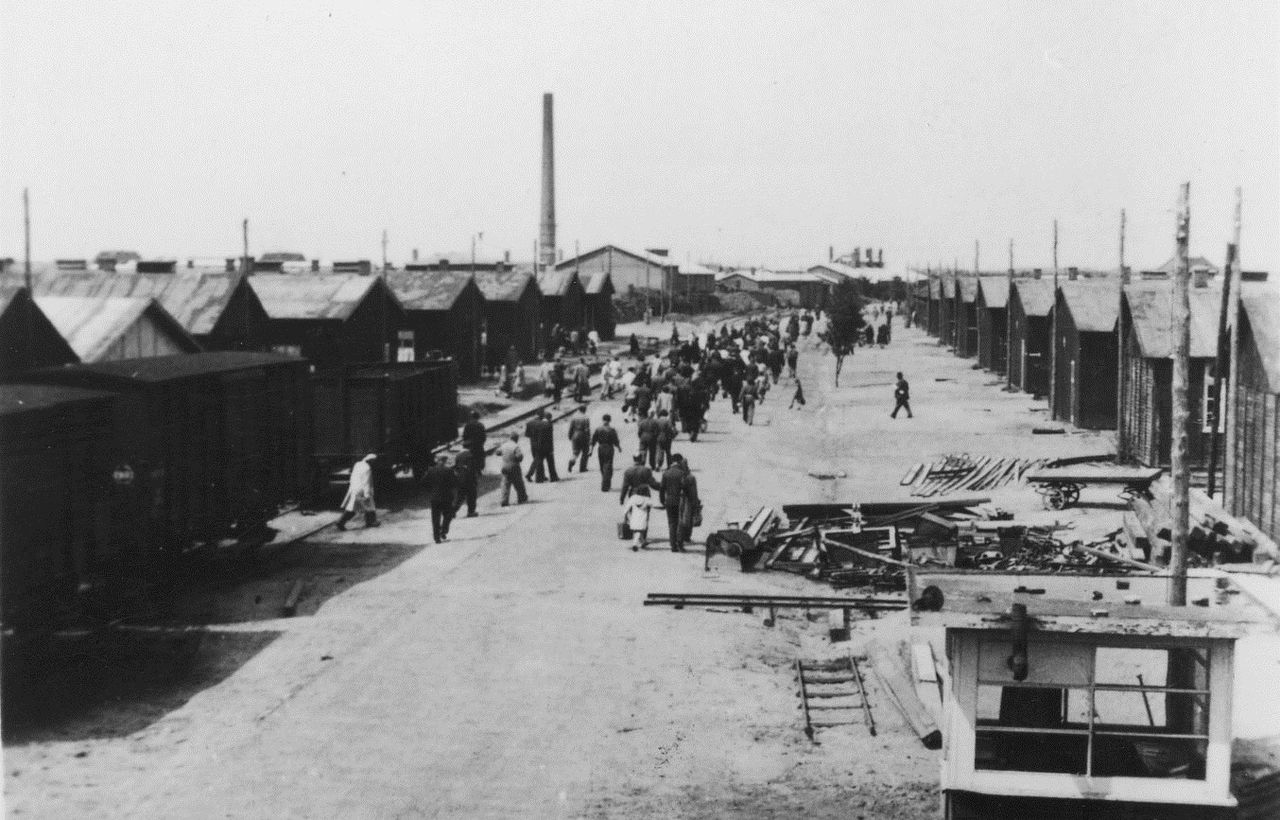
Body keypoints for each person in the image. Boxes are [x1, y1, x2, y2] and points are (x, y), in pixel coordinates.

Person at [421, 454, 458, 543]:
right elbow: (455, 483)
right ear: (444, 461)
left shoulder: (431, 470)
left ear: (437, 461)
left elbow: (423, 482)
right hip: (446, 497)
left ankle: (436, 538)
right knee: (448, 515)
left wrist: (431, 490)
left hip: (434, 498)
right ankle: (443, 531)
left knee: (435, 518)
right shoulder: (448, 470)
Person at [336, 454, 379, 530]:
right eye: (374, 461)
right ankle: (340, 522)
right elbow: (366, 482)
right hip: (361, 489)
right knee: (367, 505)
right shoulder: (367, 468)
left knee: (356, 507)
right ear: (370, 461)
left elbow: (352, 476)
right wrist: (367, 494)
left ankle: (370, 522)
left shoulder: (358, 464)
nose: (374, 463)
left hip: (355, 487)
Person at [660, 454, 690, 552]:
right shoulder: (682, 473)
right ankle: (680, 544)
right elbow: (685, 487)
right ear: (679, 461)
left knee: (672, 523)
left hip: (669, 501)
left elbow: (662, 488)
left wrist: (662, 500)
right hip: (680, 501)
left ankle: (673, 545)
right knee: (680, 523)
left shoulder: (666, 473)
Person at [590, 413, 622, 491]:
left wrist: (591, 450)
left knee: (602, 466)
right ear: (609, 420)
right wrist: (619, 447)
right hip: (609, 448)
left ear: (603, 420)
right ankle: (606, 484)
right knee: (608, 466)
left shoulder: (598, 429)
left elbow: (593, 441)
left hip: (601, 448)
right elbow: (616, 440)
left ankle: (605, 482)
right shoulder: (611, 430)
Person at [524, 411, 559, 482]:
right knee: (550, 462)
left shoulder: (530, 423)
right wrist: (551, 449)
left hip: (534, 445)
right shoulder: (548, 424)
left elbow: (527, 435)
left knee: (538, 461)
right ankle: (553, 477)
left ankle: (539, 478)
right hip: (546, 446)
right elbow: (550, 438)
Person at [497, 431, 528, 506]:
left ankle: (504, 500)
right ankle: (522, 498)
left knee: (505, 484)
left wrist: (504, 454)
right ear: (516, 439)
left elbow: (497, 452)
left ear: (510, 438)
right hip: (514, 466)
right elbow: (519, 456)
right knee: (519, 483)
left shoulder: (504, 445)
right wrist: (517, 459)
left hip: (504, 467)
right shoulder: (515, 446)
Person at [624, 486, 656, 551]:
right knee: (639, 530)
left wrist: (625, 515)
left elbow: (627, 507)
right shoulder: (646, 499)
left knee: (637, 530)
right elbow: (654, 505)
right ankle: (635, 544)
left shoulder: (633, 498)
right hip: (642, 518)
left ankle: (643, 542)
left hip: (634, 517)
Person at [453, 449, 479, 518]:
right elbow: (471, 469)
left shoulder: (458, 456)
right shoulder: (470, 456)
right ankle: (471, 512)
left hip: (460, 479)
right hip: (469, 479)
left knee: (460, 497)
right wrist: (474, 479)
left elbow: (456, 467)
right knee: (472, 496)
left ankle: (452, 511)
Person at [567, 405, 591, 473]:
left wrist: (570, 436)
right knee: (585, 451)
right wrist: (589, 437)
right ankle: (582, 468)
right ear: (585, 410)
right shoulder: (586, 417)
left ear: (579, 410)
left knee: (575, 452)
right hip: (583, 435)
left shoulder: (574, 417)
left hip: (575, 435)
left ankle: (571, 461)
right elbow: (587, 429)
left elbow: (571, 428)